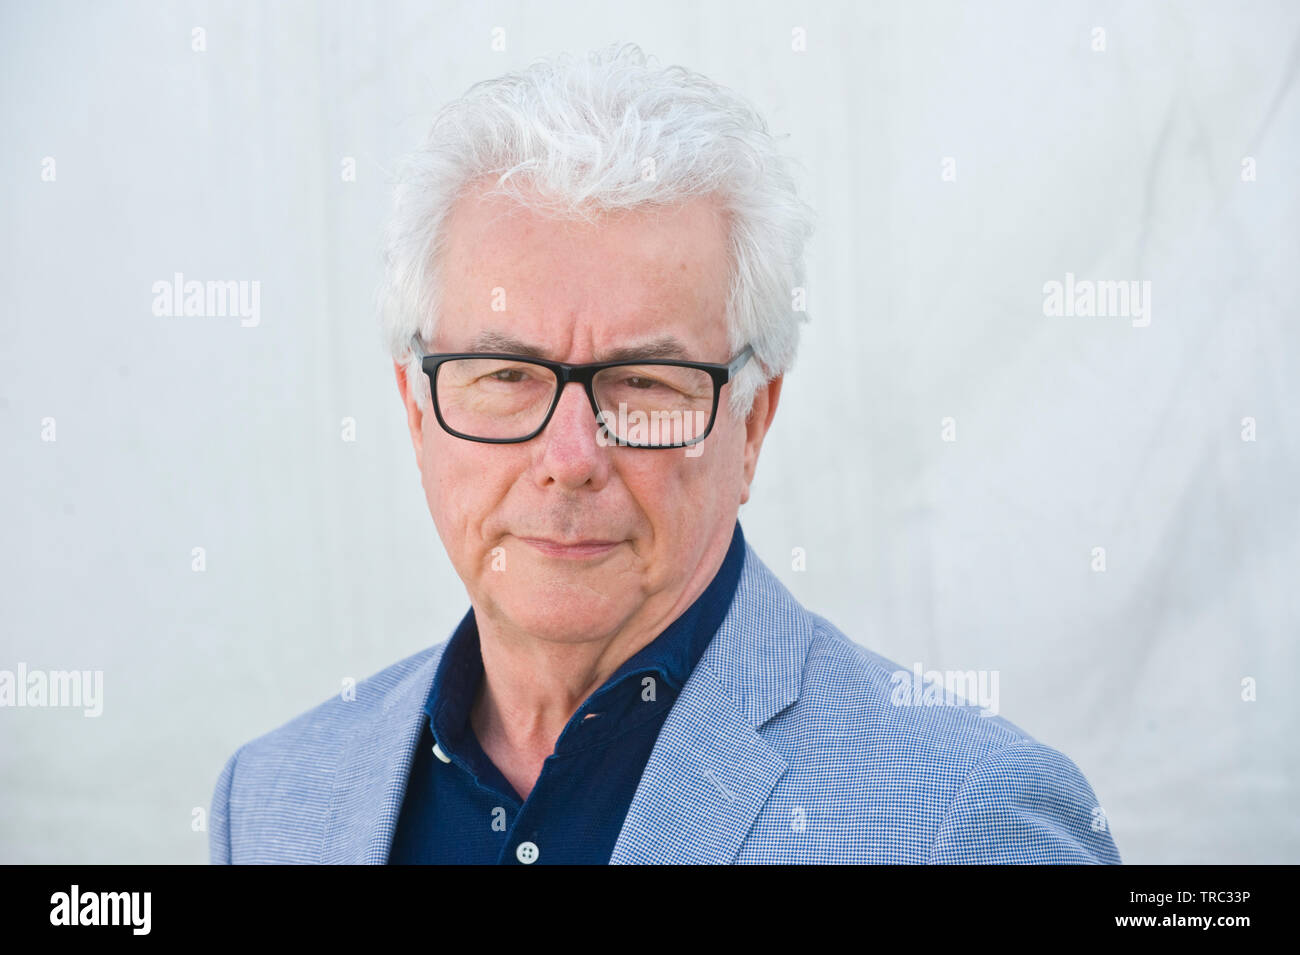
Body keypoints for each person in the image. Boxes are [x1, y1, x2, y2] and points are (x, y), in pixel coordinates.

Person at [209, 42, 1120, 865]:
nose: (570, 457)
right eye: (505, 374)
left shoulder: (967, 820)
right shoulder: (273, 802)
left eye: (644, 382)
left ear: (753, 423)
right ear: (418, 413)